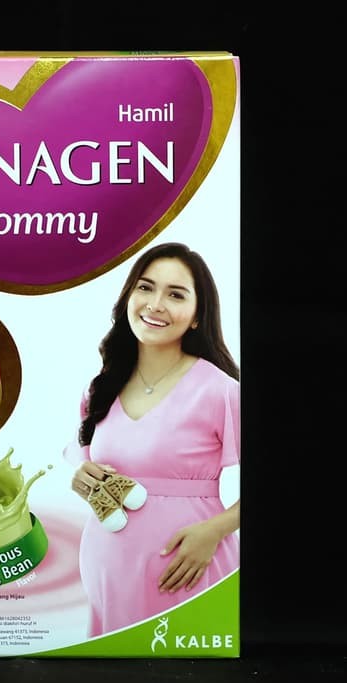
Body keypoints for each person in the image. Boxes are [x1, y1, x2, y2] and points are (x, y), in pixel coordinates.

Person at [64, 241, 240, 637]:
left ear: (197, 316)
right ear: (129, 296)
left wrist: (215, 530)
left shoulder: (219, 391)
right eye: (145, 287)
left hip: (188, 570)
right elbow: (84, 458)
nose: (155, 304)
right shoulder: (100, 388)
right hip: (109, 574)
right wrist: (81, 477)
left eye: (176, 294)